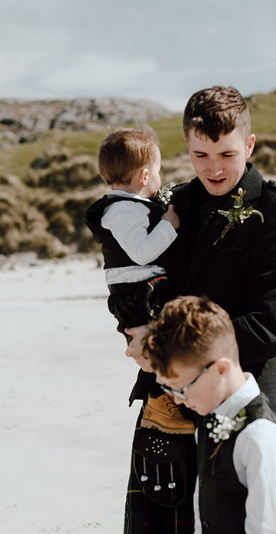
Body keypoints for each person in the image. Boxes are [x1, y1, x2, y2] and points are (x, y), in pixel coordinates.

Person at [119, 85, 276, 534]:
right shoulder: (172, 207)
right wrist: (133, 329)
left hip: (234, 407)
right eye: (200, 155)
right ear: (187, 148)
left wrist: (173, 353)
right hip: (164, 404)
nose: (214, 168)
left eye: (226, 154)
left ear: (249, 146)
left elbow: (271, 325)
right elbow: (129, 276)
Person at [143, 296, 276, 534]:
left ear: (220, 369)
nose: (179, 401)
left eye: (183, 388)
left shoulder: (261, 436)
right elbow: (204, 519)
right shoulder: (208, 420)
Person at [83, 127, 194, 435]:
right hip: (139, 295)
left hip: (141, 290)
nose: (160, 178)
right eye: (158, 171)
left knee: (159, 348)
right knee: (159, 348)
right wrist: (168, 225)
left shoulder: (125, 207)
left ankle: (168, 400)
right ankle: (162, 405)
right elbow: (142, 251)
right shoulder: (123, 210)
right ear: (144, 176)